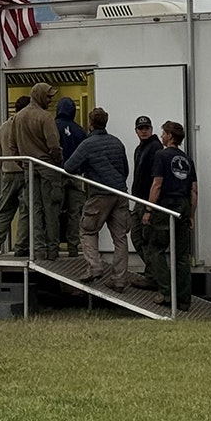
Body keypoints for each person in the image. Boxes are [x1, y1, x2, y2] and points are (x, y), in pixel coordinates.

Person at [63, 107, 131, 289]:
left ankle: (95, 267)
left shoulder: (87, 144)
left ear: (90, 124)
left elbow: (69, 167)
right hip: (120, 194)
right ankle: (119, 279)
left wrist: (84, 169)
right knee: (120, 238)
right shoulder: (117, 142)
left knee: (87, 230)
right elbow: (125, 170)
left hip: (100, 194)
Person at [142, 121, 197, 310]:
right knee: (182, 255)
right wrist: (191, 215)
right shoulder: (187, 159)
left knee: (155, 249)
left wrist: (149, 210)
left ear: (170, 136)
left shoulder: (161, 156)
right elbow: (194, 190)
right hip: (184, 205)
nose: (162, 136)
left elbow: (157, 183)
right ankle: (184, 299)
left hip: (166, 204)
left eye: (164, 133)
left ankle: (166, 292)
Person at [12, 83, 65, 260]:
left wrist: (23, 163)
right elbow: (54, 146)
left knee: (34, 210)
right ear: (40, 95)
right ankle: (52, 250)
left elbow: (12, 147)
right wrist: (58, 163)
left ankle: (38, 250)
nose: (50, 100)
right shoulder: (46, 117)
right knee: (51, 211)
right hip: (48, 169)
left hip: (29, 169)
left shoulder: (18, 118)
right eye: (48, 96)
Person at [0, 95, 31, 256]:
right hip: (24, 172)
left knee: (4, 211)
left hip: (7, 173)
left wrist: (3, 169)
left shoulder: (4, 126)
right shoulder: (25, 126)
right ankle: (21, 247)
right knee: (26, 211)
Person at [129, 116, 164, 287]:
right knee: (137, 237)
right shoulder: (139, 149)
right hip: (139, 200)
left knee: (147, 239)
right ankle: (153, 273)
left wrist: (151, 206)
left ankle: (156, 276)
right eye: (141, 128)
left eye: (146, 128)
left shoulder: (155, 148)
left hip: (148, 201)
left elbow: (157, 179)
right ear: (136, 131)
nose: (144, 131)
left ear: (151, 129)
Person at [54, 96, 87, 258]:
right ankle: (73, 247)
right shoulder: (80, 130)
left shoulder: (52, 127)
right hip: (76, 175)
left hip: (56, 174)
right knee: (75, 213)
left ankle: (53, 247)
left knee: (54, 210)